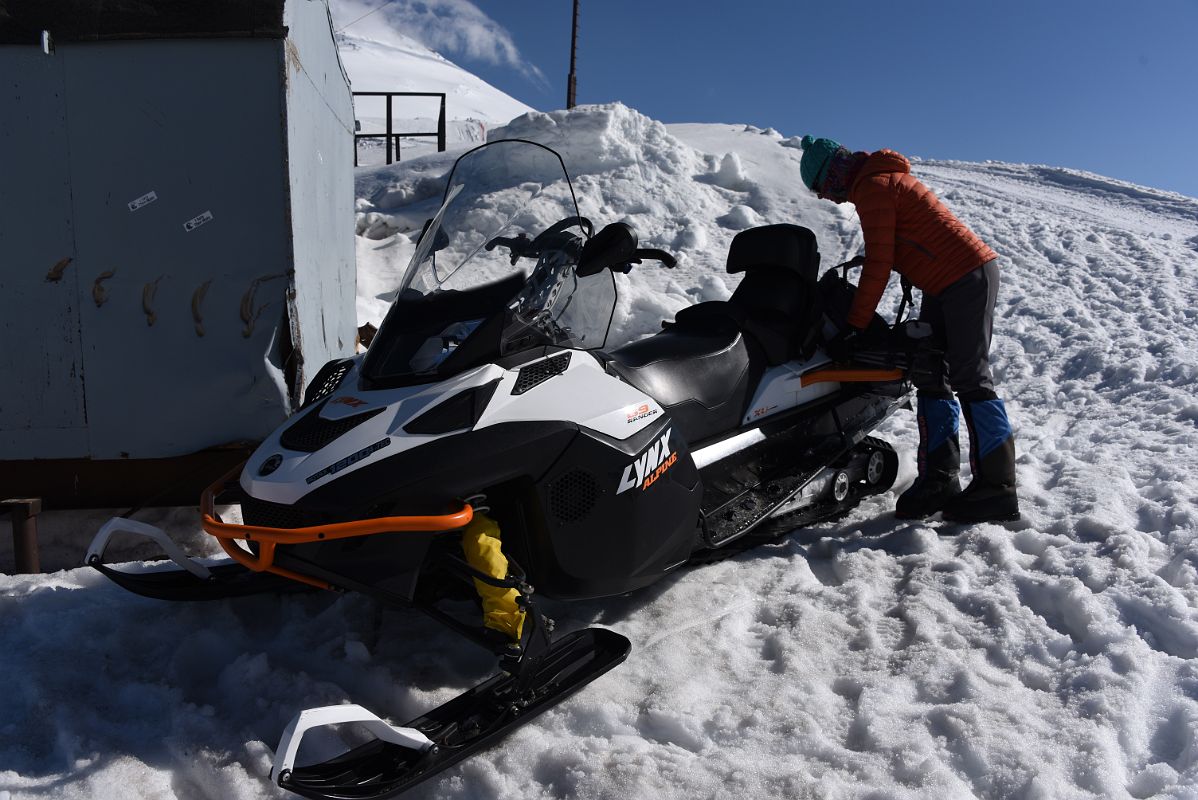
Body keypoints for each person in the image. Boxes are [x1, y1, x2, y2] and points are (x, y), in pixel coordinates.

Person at [799, 135, 1019, 523]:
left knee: (971, 377)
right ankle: (940, 479)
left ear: (831, 176)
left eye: (821, 189)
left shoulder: (873, 186)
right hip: (944, 282)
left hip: (967, 278)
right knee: (931, 372)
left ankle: (997, 490)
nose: (827, 198)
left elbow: (879, 264)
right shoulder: (875, 183)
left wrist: (855, 323)